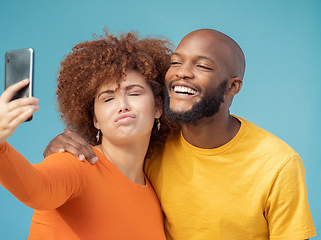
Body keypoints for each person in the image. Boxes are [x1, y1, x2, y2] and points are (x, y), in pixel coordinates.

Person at [43, 29, 317, 239]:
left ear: (232, 87)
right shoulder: (155, 146)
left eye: (203, 66)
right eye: (176, 62)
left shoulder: (278, 164)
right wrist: (62, 147)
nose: (183, 73)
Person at [0, 31, 178, 239]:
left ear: (158, 107)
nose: (123, 106)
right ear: (95, 120)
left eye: (134, 93)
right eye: (108, 99)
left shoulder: (154, 199)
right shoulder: (77, 164)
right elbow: (35, 188)